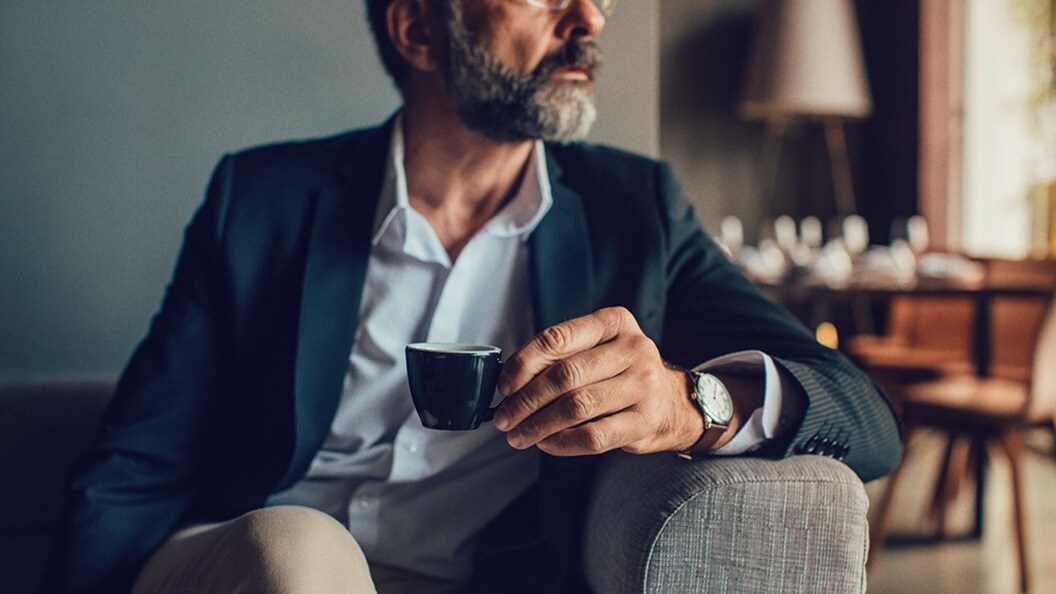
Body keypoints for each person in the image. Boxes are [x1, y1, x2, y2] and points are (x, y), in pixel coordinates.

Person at [44, 0, 903, 592]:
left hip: (476, 576)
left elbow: (864, 418)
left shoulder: (635, 211)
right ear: (421, 29)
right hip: (250, 562)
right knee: (299, 547)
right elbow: (137, 464)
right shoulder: (261, 199)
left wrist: (691, 404)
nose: (588, 19)